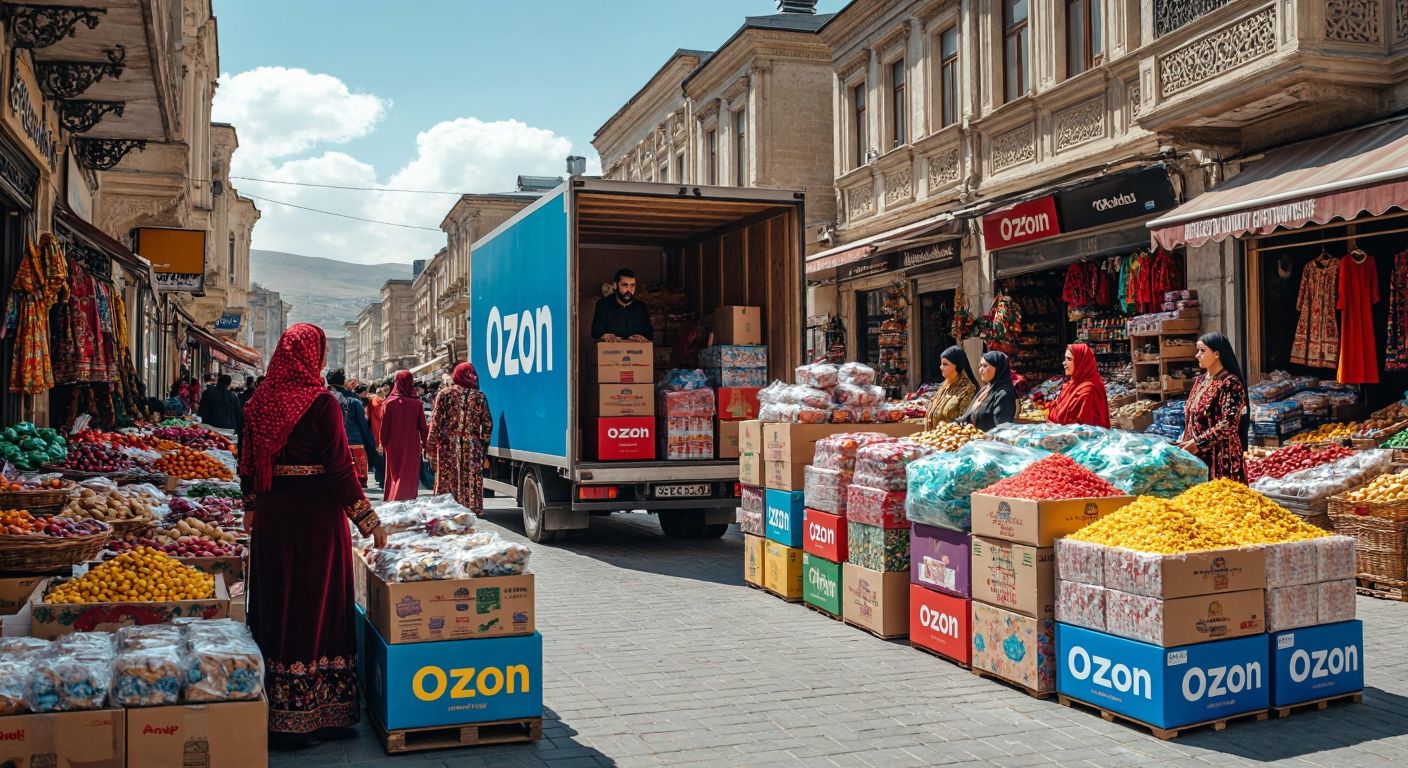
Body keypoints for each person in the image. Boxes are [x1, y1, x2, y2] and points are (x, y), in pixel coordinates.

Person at [237, 323, 384, 748]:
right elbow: (340, 470)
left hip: (272, 517)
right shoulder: (320, 403)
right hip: (316, 519)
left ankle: (277, 710)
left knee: (278, 600)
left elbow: (247, 461)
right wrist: (369, 520)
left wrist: (250, 506)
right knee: (316, 605)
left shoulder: (259, 401)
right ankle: (322, 713)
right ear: (312, 356)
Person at [1179, 332, 1249, 482]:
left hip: (1221, 460)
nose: (1197, 355)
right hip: (1196, 459)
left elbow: (1229, 424)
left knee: (1220, 495)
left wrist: (1198, 443)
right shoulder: (1200, 381)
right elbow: (1191, 417)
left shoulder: (1230, 383)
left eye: (1202, 350)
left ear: (1217, 354)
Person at [428, 362, 493, 509]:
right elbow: (487, 424)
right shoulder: (479, 397)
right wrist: (483, 446)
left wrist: (430, 447)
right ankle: (470, 506)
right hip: (472, 446)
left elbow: (435, 422)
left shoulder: (444, 394)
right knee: (470, 478)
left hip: (448, 445)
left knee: (448, 477)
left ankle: (446, 508)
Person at [380, 370, 428, 501]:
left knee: (394, 472)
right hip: (412, 443)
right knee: (408, 473)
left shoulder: (389, 403)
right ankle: (406, 497)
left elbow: (384, 427)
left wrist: (383, 443)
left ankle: (393, 497)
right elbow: (423, 427)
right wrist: (426, 445)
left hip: (393, 443)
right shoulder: (417, 403)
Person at [327, 369, 376, 487]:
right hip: (355, 441)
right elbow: (363, 425)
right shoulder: (354, 401)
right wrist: (372, 444)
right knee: (358, 481)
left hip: (333, 443)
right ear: (343, 382)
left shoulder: (324, 399)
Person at [1046, 343, 1111, 428]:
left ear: (1081, 362)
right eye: (1065, 359)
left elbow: (1084, 427)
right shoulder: (1072, 384)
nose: (1064, 363)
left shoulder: (1088, 391)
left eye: (1069, 359)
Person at [958, 351, 1018, 431]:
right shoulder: (986, 389)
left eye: (985, 366)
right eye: (980, 365)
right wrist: (956, 423)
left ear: (998, 368)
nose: (980, 370)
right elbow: (969, 415)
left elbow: (1002, 430)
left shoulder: (1004, 395)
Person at [591, 268, 653, 342]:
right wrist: (604, 335)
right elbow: (595, 332)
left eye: (632, 285)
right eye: (625, 285)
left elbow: (649, 334)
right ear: (615, 285)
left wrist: (640, 336)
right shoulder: (603, 305)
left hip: (634, 348)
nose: (629, 290)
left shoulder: (640, 307)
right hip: (611, 348)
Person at [925, 346, 978, 428]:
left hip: (953, 435)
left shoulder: (968, 389)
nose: (941, 367)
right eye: (941, 364)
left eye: (945, 364)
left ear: (957, 365)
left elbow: (964, 422)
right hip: (934, 435)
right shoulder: (944, 386)